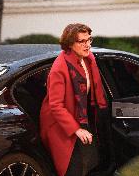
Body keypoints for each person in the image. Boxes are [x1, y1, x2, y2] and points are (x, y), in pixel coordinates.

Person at [40, 23, 108, 176]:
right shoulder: (60, 68)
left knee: (90, 161)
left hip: (79, 116)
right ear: (70, 44)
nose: (87, 45)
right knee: (73, 167)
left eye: (89, 40)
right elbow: (56, 106)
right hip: (59, 124)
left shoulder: (88, 58)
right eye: (82, 41)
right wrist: (76, 129)